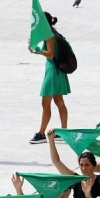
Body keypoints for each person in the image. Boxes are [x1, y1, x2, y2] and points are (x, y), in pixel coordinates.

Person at [28, 13, 70, 144]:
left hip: (52, 72)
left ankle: (41, 134)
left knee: (45, 104)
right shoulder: (55, 33)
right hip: (58, 72)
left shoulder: (49, 36)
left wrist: (36, 50)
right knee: (59, 102)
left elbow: (50, 54)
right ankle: (64, 131)